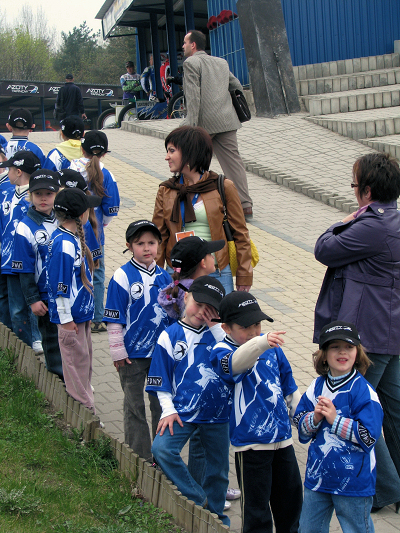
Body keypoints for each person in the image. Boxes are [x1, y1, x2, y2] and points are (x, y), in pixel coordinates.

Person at [313, 152, 400, 511]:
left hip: (368, 338)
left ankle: (386, 489)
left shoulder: (371, 226)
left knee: (359, 409)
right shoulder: (394, 221)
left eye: (354, 185)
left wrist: (345, 220)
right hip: (390, 335)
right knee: (394, 412)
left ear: (367, 191)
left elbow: (324, 249)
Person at [211, 291, 302, 533]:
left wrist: (304, 419)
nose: (253, 332)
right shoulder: (220, 352)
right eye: (245, 327)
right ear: (226, 327)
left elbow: (289, 387)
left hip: (283, 440)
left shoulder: (272, 347)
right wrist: (261, 342)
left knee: (291, 506)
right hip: (250, 445)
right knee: (257, 513)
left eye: (257, 325)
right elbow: (236, 364)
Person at [146, 276, 230, 525]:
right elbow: (160, 379)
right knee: (162, 449)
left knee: (218, 470)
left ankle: (217, 519)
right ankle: (197, 499)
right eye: (198, 304)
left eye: (210, 309)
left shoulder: (221, 336)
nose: (203, 312)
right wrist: (168, 410)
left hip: (217, 414)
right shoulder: (169, 336)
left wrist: (216, 327)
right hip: (182, 413)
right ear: (186, 298)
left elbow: (232, 358)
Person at [294, 321, 383, 533]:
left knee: (356, 529)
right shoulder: (316, 386)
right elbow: (300, 424)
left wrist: (335, 420)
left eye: (349, 347)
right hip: (318, 478)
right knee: (307, 528)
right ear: (324, 355)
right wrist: (315, 418)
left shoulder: (364, 392)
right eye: (335, 347)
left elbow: (369, 437)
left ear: (357, 353)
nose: (342, 352)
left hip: (353, 483)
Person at [152, 125, 252, 295]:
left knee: (218, 313)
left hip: (216, 272)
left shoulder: (223, 186)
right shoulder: (166, 190)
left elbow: (240, 234)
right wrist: (156, 276)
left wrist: (244, 274)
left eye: (172, 151)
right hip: (177, 272)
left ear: (189, 152)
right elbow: (159, 237)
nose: (167, 157)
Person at [103, 220, 172, 460]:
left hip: (159, 356)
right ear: (129, 246)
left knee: (160, 405)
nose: (146, 248)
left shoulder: (165, 277)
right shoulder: (122, 276)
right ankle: (139, 458)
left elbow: (173, 316)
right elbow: (114, 318)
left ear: (159, 245)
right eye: (140, 243)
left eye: (151, 243)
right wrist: (117, 351)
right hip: (131, 355)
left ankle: (162, 456)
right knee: (134, 406)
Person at [181, 30, 252, 216]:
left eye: (185, 42)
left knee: (191, 162)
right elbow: (236, 86)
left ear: (193, 45)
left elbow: (193, 97)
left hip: (205, 123)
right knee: (233, 162)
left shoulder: (190, 63)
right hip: (227, 121)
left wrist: (190, 128)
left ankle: (192, 204)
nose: (183, 46)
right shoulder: (221, 62)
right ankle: (245, 205)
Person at [46, 187, 101, 412]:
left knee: (84, 365)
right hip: (72, 321)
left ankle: (87, 408)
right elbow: (60, 287)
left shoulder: (71, 239)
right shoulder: (64, 244)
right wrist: (66, 319)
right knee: (76, 372)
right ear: (81, 214)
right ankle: (85, 418)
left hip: (81, 316)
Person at [12, 169, 63, 378]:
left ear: (57, 194)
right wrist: (33, 299)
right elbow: (24, 270)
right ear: (30, 195)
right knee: (51, 340)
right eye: (38, 194)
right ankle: (58, 379)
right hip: (44, 297)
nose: (43, 199)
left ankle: (74, 380)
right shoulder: (25, 227)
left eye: (49, 194)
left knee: (69, 339)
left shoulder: (63, 220)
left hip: (66, 294)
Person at [70, 130, 120, 334]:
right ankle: (97, 319)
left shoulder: (70, 169)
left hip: (69, 230)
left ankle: (74, 314)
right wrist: (101, 224)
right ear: (105, 153)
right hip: (95, 234)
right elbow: (112, 208)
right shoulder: (107, 174)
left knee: (73, 269)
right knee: (97, 273)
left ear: (82, 149)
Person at [0, 151, 42, 347]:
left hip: (26, 262)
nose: (5, 172)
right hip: (6, 260)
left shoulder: (34, 199)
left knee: (24, 304)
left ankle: (33, 340)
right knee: (10, 303)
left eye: (8, 169)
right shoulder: (6, 194)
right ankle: (10, 342)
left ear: (18, 172)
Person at [158, 235, 225, 319]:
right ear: (203, 263)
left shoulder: (177, 288)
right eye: (210, 254)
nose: (213, 257)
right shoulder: (199, 293)